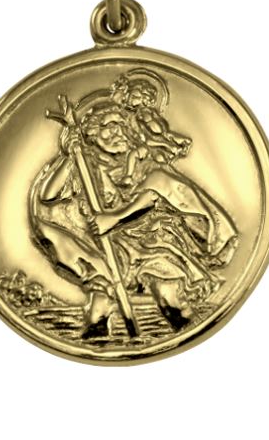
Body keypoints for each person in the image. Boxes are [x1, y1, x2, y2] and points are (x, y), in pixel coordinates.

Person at [29, 70, 237, 339]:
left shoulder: (141, 161)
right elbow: (48, 197)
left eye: (121, 126)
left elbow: (157, 192)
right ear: (92, 134)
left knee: (170, 297)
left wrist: (113, 219)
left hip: (151, 241)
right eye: (107, 126)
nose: (116, 132)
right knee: (100, 303)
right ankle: (99, 341)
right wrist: (69, 156)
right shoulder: (83, 166)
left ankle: (181, 335)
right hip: (106, 247)